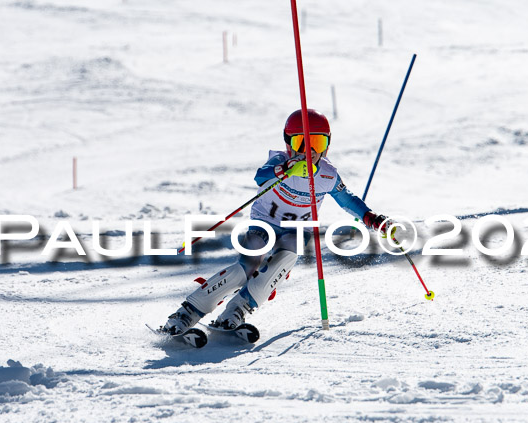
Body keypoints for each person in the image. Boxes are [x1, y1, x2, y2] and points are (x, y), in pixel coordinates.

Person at [160, 109, 394, 335]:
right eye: (301, 142)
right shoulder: (280, 161)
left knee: (284, 260)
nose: (309, 151)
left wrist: (370, 217)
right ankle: (188, 312)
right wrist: (284, 170)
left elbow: (347, 199)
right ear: (288, 142)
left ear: (327, 145)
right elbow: (261, 177)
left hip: (296, 231)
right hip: (264, 224)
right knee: (248, 265)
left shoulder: (327, 174)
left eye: (318, 143)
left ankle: (237, 310)